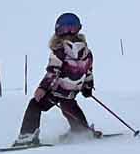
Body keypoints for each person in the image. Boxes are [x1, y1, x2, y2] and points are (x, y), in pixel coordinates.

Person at [13, 12, 97, 146]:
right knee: (68, 105)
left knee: (35, 104)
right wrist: (87, 87)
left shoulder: (60, 51)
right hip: (71, 92)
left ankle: (27, 136)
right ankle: (81, 131)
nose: (69, 32)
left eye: (71, 28)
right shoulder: (87, 52)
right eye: (66, 29)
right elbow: (88, 71)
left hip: (57, 90)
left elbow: (53, 72)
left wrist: (42, 88)